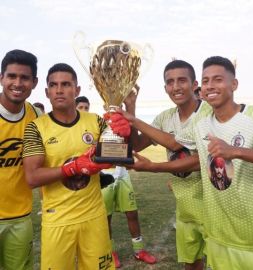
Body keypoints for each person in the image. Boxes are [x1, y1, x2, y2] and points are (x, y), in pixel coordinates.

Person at [124, 56, 253, 270]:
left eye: (218, 79)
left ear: (234, 84)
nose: (210, 85)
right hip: (210, 226)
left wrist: (235, 151)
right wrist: (131, 113)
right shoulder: (200, 124)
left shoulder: (250, 115)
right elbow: (171, 144)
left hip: (249, 232)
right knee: (193, 262)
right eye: (206, 81)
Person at [22, 63, 127, 269]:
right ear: (47, 92)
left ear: (77, 90)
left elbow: (120, 154)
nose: (59, 90)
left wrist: (123, 132)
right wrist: (73, 167)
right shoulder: (36, 127)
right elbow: (32, 178)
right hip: (58, 220)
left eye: (66, 84)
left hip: (94, 217)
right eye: (53, 85)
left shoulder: (96, 121)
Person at [123, 59, 205, 270]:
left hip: (214, 204)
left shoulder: (208, 113)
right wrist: (131, 106)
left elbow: (175, 143)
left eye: (181, 80)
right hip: (186, 206)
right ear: (165, 87)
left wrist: (133, 120)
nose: (175, 87)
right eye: (170, 82)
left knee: (221, 262)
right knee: (192, 262)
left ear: (195, 84)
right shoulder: (165, 118)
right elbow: (137, 145)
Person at [75, 95, 156, 268]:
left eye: (86, 106)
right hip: (104, 177)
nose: (84, 110)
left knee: (132, 214)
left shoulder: (108, 122)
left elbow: (129, 145)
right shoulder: (88, 127)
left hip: (122, 174)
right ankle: (111, 252)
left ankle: (139, 250)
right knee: (107, 218)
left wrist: (124, 127)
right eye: (80, 107)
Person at [0, 49, 39, 270]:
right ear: (1, 78)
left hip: (20, 217)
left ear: (33, 82)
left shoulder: (36, 116)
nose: (17, 83)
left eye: (24, 78)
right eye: (12, 76)